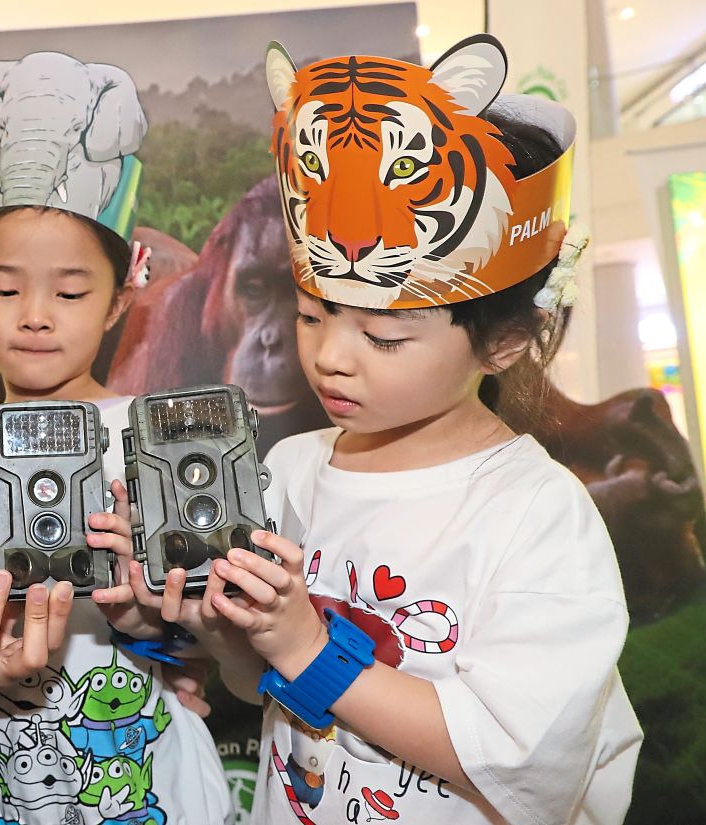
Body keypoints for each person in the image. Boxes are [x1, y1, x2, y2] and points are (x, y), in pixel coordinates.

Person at [114, 35, 643, 825]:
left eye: (384, 338)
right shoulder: (292, 467)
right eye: (312, 316)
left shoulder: (539, 514)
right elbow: (253, 681)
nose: (332, 358)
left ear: (500, 342)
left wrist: (309, 651)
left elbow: (524, 765)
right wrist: (206, 621)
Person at [0, 50, 232, 825]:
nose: (35, 313)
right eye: (4, 287)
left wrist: (153, 617)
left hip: (139, 765)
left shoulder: (155, 437)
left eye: (69, 290)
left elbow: (216, 641)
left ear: (123, 295)